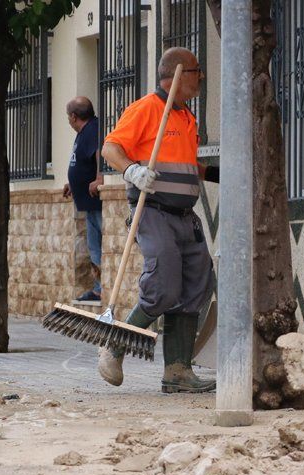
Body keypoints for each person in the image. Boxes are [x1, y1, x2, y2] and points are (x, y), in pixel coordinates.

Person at [99, 47, 218, 393]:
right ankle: (114, 345)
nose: (201, 77)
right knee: (163, 284)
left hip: (185, 216)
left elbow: (187, 166)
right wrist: (132, 170)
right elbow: (110, 148)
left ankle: (177, 371)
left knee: (196, 284)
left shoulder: (186, 117)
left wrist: (218, 174)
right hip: (153, 212)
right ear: (178, 73)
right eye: (197, 71)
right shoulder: (146, 109)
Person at [63, 96, 103, 302]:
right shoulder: (83, 132)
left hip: (95, 201)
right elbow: (81, 161)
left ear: (73, 116)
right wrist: (73, 182)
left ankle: (101, 289)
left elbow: (99, 154)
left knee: (97, 245)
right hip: (87, 201)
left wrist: (99, 177)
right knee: (93, 245)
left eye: (68, 117)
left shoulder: (92, 130)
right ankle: (98, 289)